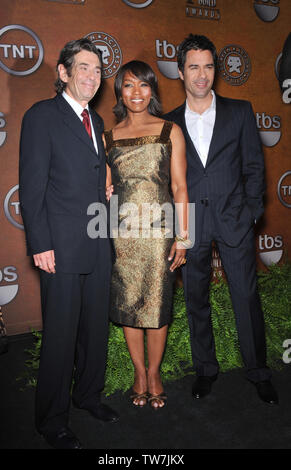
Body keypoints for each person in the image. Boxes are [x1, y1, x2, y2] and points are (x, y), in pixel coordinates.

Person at [164, 34, 278, 405]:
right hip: (190, 224)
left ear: (216, 69)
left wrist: (249, 216)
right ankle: (206, 370)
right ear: (181, 72)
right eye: (194, 66)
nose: (202, 75)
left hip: (233, 221)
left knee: (245, 297)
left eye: (209, 66)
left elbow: (253, 168)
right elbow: (167, 181)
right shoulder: (168, 124)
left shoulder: (241, 111)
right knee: (196, 299)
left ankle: (258, 372)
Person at [19, 38, 119, 450]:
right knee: (61, 334)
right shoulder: (41, 116)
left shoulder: (95, 122)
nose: (92, 77)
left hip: (97, 241)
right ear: (63, 72)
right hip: (59, 246)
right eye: (83, 68)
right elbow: (32, 185)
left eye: (97, 70)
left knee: (95, 328)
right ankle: (52, 420)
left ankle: (88, 396)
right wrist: (40, 243)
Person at [104, 60, 189, 409]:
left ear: (153, 89)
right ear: (119, 92)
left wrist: (184, 237)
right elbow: (105, 187)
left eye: (143, 85)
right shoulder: (108, 137)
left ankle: (155, 373)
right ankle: (139, 373)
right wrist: (105, 194)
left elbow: (181, 187)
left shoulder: (170, 130)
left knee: (156, 305)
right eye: (128, 85)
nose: (136, 92)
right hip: (121, 233)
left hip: (159, 232)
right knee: (128, 305)